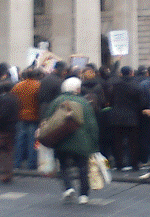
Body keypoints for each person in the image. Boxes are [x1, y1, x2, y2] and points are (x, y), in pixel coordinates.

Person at [44, 77, 98, 205]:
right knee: (83, 168)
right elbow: (92, 125)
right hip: (82, 142)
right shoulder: (84, 102)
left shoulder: (56, 101)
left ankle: (68, 188)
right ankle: (83, 195)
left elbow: (47, 119)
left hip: (61, 140)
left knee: (63, 166)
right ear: (78, 89)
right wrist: (94, 144)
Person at [108, 66, 141, 171]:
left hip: (116, 116)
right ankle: (134, 164)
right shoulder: (136, 85)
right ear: (131, 72)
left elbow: (111, 99)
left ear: (121, 73)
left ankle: (119, 164)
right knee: (133, 142)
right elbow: (140, 101)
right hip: (132, 116)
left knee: (118, 142)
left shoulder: (115, 85)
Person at [0, 74, 19, 183]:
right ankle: (8, 173)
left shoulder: (4, 99)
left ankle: (5, 172)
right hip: (12, 128)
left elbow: (1, 115)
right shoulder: (15, 98)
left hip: (3, 129)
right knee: (7, 150)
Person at [11, 68, 41, 170]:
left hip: (20, 117)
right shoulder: (38, 86)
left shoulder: (18, 86)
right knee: (32, 142)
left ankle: (17, 163)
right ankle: (31, 164)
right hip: (34, 116)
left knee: (19, 141)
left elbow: (13, 99)